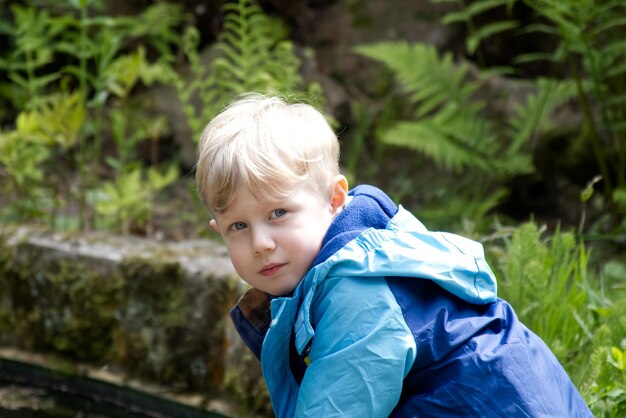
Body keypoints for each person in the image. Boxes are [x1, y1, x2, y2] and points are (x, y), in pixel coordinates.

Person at [195, 93, 593, 417]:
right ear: (219, 231)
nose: (260, 242)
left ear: (334, 200)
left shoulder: (359, 290)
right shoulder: (355, 253)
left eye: (278, 213)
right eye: (239, 227)